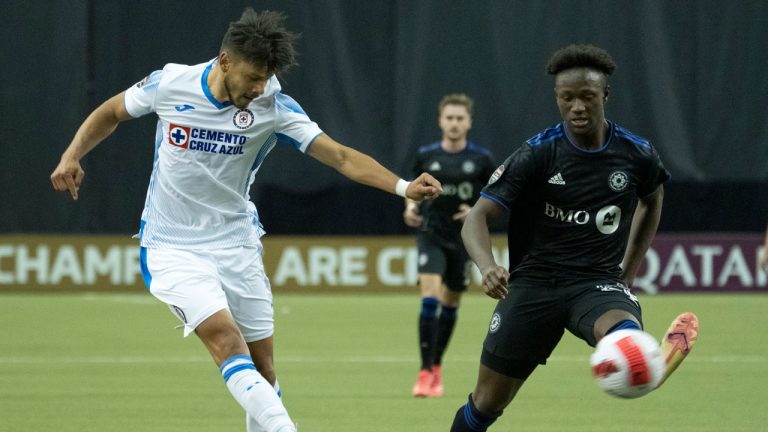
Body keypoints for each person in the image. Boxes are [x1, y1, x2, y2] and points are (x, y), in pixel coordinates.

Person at [50, 8, 441, 432]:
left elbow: (341, 157)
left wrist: (403, 187)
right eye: (253, 77)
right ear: (225, 61)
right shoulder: (171, 83)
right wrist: (72, 154)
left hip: (237, 243)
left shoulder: (274, 107)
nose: (259, 88)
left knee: (264, 370)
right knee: (225, 338)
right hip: (172, 245)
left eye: (266, 78)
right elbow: (111, 111)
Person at [449, 44, 699, 431]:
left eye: (587, 97)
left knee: (625, 339)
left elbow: (653, 200)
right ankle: (644, 368)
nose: (577, 107)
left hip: (596, 283)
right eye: (567, 98)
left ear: (605, 95)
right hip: (532, 285)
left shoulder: (637, 154)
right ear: (557, 98)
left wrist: (628, 273)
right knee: (486, 404)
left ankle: (640, 362)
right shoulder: (537, 154)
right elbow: (476, 218)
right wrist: (487, 266)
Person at [403, 94, 496, 398]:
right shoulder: (426, 156)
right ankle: (424, 372)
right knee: (430, 297)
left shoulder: (481, 159)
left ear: (469, 122)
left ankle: (436, 366)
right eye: (449, 118)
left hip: (463, 238)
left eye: (460, 118)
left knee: (451, 301)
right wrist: (410, 208)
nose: (454, 123)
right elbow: (411, 189)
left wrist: (477, 211)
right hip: (431, 232)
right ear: (441, 121)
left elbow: (497, 194)